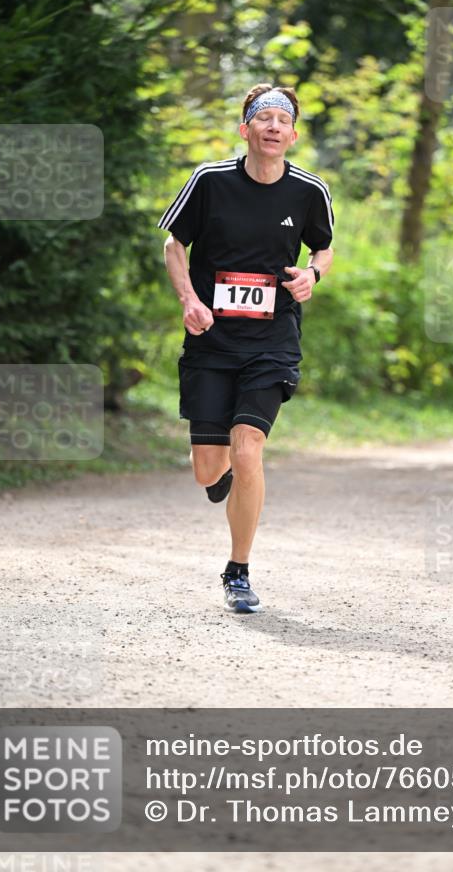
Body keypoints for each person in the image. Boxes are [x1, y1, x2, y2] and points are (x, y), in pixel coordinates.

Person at [157, 84, 334, 613]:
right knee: (208, 470)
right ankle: (226, 477)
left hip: (271, 341)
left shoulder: (309, 191)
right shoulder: (210, 181)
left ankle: (238, 571)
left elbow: (322, 247)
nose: (274, 126)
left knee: (248, 446)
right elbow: (173, 243)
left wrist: (311, 275)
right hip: (211, 338)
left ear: (294, 135)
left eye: (284, 120)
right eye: (264, 118)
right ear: (246, 130)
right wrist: (189, 300)